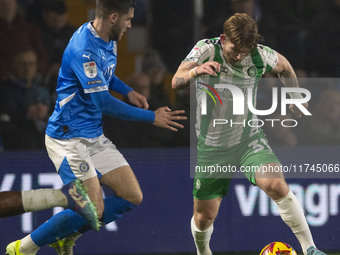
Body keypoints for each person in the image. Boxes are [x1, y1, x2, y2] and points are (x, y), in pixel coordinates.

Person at [5, 0, 186, 254]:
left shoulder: (107, 37)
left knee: (132, 196)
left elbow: (105, 74)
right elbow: (103, 102)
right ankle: (22, 248)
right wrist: (151, 118)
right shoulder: (83, 48)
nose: (130, 25)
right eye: (128, 19)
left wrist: (128, 90)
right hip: (68, 138)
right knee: (93, 208)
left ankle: (64, 236)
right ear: (113, 17)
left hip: (93, 135)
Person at [172, 13, 327, 255]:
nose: (239, 56)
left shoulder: (258, 55)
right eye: (235, 49)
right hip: (212, 148)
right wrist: (196, 71)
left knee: (276, 184)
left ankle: (310, 249)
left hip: (247, 139)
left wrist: (294, 95)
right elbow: (176, 80)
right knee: (203, 218)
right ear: (223, 39)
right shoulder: (204, 50)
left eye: (245, 51)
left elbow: (284, 66)